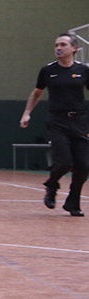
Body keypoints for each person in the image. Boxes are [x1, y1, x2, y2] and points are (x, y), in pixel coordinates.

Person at [20, 32, 89, 217]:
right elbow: (36, 93)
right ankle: (52, 185)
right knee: (64, 162)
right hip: (57, 121)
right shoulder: (48, 70)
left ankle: (72, 204)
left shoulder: (83, 70)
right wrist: (27, 113)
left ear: (74, 48)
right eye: (56, 45)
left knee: (83, 166)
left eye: (63, 45)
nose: (58, 48)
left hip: (79, 121)